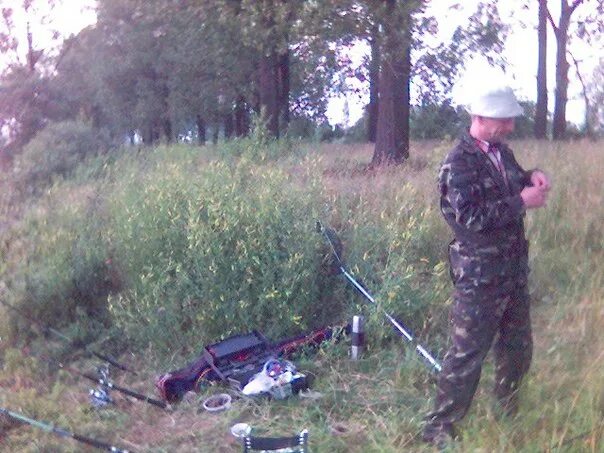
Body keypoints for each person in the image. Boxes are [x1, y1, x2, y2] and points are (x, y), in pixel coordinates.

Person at [422, 84, 551, 447]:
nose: (509, 126)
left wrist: (533, 177)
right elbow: (470, 217)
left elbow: (514, 180)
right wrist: (521, 202)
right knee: (466, 355)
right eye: (503, 120)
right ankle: (439, 428)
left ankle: (508, 411)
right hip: (479, 276)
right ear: (479, 118)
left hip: (512, 269)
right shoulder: (458, 163)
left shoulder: (500, 152)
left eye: (510, 119)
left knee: (517, 348)